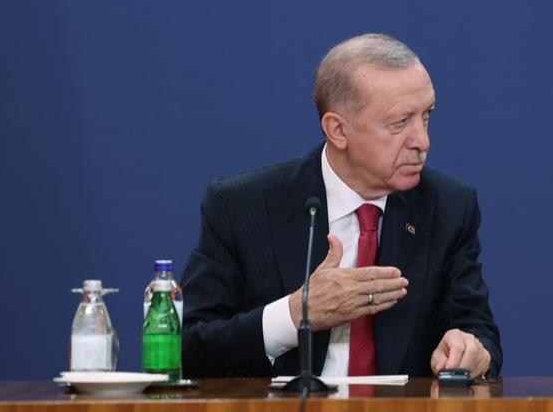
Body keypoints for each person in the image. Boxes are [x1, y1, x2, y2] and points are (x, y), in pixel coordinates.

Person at [182, 33, 502, 379]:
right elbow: (187, 348)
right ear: (338, 130)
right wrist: (294, 315)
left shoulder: (449, 207)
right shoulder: (242, 206)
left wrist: (471, 350)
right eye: (400, 123)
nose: (422, 141)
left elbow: (478, 330)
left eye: (426, 116)